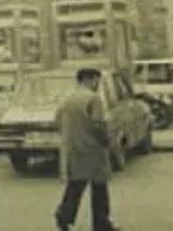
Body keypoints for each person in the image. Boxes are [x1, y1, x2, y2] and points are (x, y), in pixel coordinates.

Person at [54, 68, 121, 231]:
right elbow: (98, 124)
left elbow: (57, 120)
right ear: (90, 79)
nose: (97, 84)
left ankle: (65, 214)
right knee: (99, 188)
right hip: (93, 149)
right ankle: (101, 223)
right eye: (96, 80)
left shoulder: (67, 98)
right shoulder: (93, 99)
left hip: (73, 148)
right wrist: (107, 141)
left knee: (75, 185)